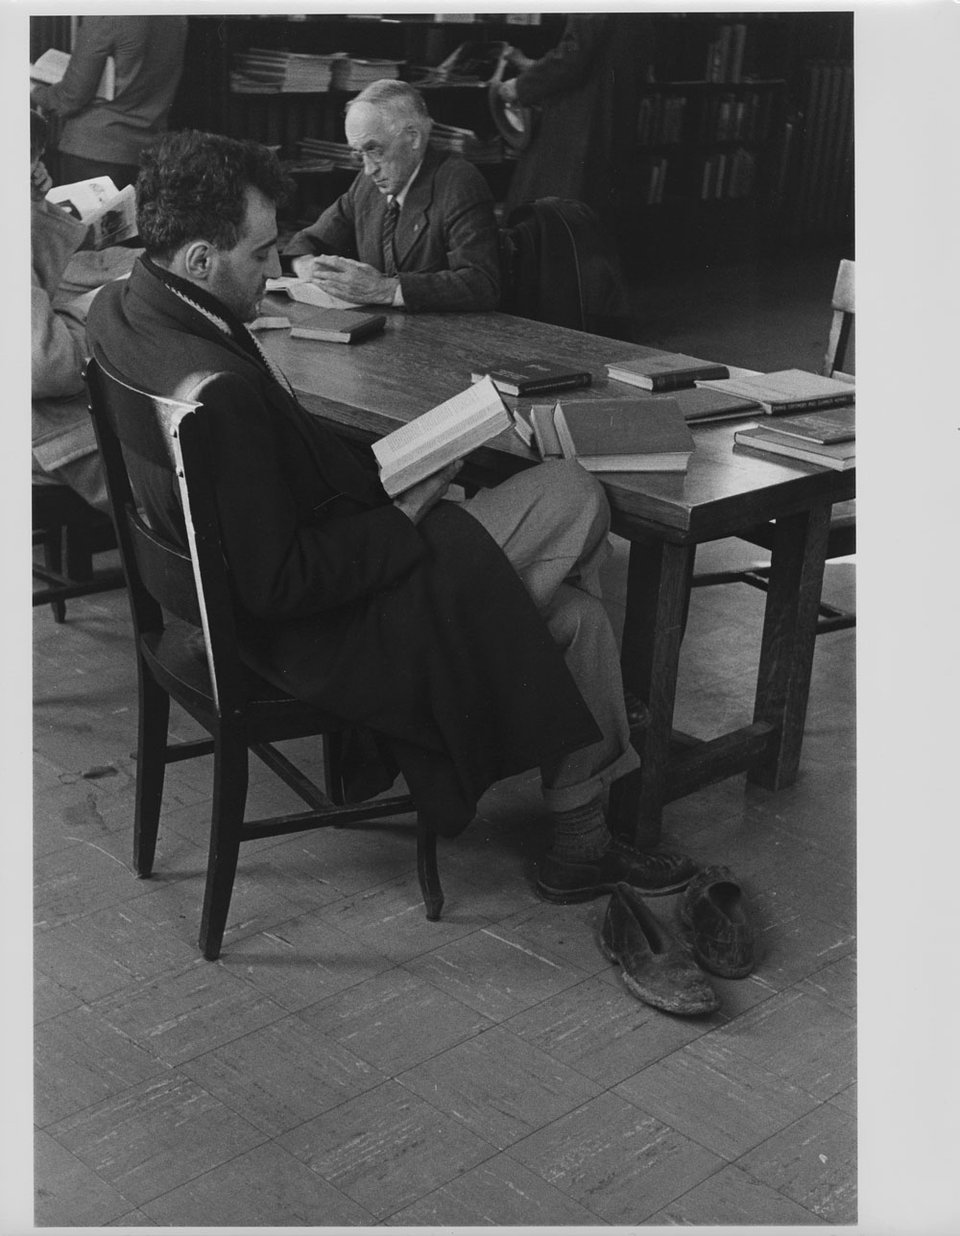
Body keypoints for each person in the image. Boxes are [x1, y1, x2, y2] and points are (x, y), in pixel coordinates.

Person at [86, 129, 696, 907]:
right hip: (312, 632)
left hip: (223, 599)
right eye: (261, 255)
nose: (273, 271)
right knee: (576, 496)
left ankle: (580, 843)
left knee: (577, 619)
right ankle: (528, 695)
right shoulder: (218, 394)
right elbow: (281, 584)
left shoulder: (125, 309)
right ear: (201, 260)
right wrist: (406, 511)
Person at [282, 80, 501, 313]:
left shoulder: (458, 182)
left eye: (374, 149)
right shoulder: (367, 184)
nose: (368, 169)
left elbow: (481, 284)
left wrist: (385, 289)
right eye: (359, 153)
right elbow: (307, 242)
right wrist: (308, 266)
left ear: (413, 137)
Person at [31, 108, 139, 513]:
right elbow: (46, 367)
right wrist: (91, 313)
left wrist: (36, 207)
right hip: (39, 431)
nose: (39, 170)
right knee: (185, 488)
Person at [497, 14, 653, 231]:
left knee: (549, 216)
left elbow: (573, 57)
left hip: (580, 119)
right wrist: (531, 67)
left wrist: (521, 86)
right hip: (610, 113)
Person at [30, 15, 188, 190]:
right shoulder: (177, 17)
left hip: (94, 153)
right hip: (150, 153)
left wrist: (32, 89)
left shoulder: (108, 14)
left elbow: (69, 98)